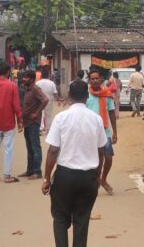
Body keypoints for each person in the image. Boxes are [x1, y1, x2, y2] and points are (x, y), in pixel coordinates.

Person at [42, 79, 108, 247]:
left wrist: (47, 178)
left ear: (69, 96)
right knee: (82, 220)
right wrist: (98, 175)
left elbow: (53, 151)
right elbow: (101, 151)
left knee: (60, 219)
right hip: (88, 178)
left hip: (65, 177)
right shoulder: (96, 119)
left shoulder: (61, 118)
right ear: (87, 96)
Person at [86, 69, 117, 195]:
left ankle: (103, 179)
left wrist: (115, 132)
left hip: (105, 131)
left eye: (96, 78)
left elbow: (111, 112)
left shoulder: (107, 94)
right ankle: (96, 180)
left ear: (100, 79)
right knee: (96, 159)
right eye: (92, 79)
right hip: (90, 132)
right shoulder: (86, 95)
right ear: (89, 80)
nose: (94, 80)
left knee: (108, 157)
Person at [20, 71, 49, 179]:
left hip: (33, 123)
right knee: (30, 147)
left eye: (26, 77)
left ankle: (37, 172)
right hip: (27, 123)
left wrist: (36, 113)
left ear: (32, 79)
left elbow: (45, 100)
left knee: (35, 147)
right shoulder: (28, 90)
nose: (24, 79)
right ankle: (30, 170)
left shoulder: (36, 89)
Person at [37, 66, 59, 133]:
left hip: (40, 101)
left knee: (41, 114)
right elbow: (55, 93)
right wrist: (57, 99)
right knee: (49, 115)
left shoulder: (38, 83)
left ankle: (40, 128)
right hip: (49, 101)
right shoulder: (51, 83)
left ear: (41, 75)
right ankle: (48, 129)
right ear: (48, 75)